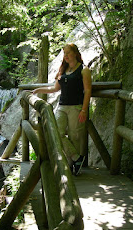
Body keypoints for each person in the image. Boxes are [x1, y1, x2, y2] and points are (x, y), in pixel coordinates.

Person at [33, 43, 92, 175]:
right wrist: (38, 90)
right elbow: (55, 89)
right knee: (56, 132)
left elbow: (88, 91)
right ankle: (77, 158)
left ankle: (73, 168)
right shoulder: (63, 70)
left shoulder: (84, 70)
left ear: (75, 53)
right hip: (62, 106)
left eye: (68, 53)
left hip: (76, 107)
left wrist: (84, 109)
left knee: (74, 137)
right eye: (64, 53)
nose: (65, 56)